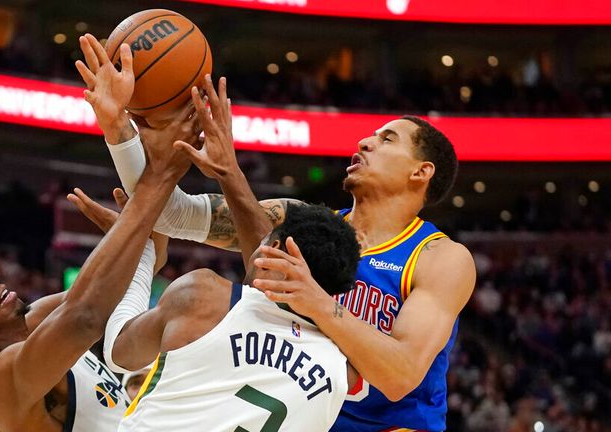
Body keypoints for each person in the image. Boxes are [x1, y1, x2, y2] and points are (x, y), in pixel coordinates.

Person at [85, 53, 476, 429]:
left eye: (387, 139)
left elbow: (401, 375)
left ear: (421, 171)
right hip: (299, 417)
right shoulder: (301, 225)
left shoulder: (439, 257)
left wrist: (317, 302)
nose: (364, 143)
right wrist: (117, 127)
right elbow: (172, 213)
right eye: (369, 136)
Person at [0, 36, 201, 432]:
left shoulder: (36, 319)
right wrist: (157, 176)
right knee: (195, 295)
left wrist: (127, 131)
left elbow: (143, 262)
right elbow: (85, 315)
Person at [89, 81, 360, 429]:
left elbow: (118, 353)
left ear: (274, 248)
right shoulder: (341, 371)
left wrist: (143, 257)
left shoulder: (202, 295)